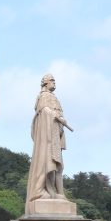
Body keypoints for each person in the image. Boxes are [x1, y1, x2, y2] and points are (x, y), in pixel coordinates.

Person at [26, 74, 73, 207]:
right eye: (52, 80)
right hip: (48, 138)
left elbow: (57, 114)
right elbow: (44, 110)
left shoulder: (54, 98)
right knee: (49, 163)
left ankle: (59, 193)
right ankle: (46, 191)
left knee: (58, 166)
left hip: (55, 136)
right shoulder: (44, 96)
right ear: (45, 83)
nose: (54, 83)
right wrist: (55, 116)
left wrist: (61, 120)